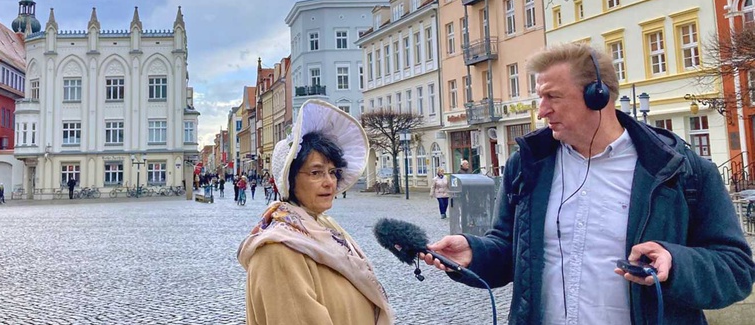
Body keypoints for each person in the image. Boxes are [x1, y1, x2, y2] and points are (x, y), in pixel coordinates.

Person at [422, 43, 755, 324]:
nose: (541, 111)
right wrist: (473, 253)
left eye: (553, 96)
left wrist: (675, 263)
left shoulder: (680, 171)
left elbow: (736, 270)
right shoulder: (527, 165)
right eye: (540, 97)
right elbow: (510, 252)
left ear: (599, 96)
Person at [239, 99, 393, 325]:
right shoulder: (278, 251)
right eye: (316, 172)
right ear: (289, 180)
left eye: (332, 172)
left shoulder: (326, 227)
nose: (329, 182)